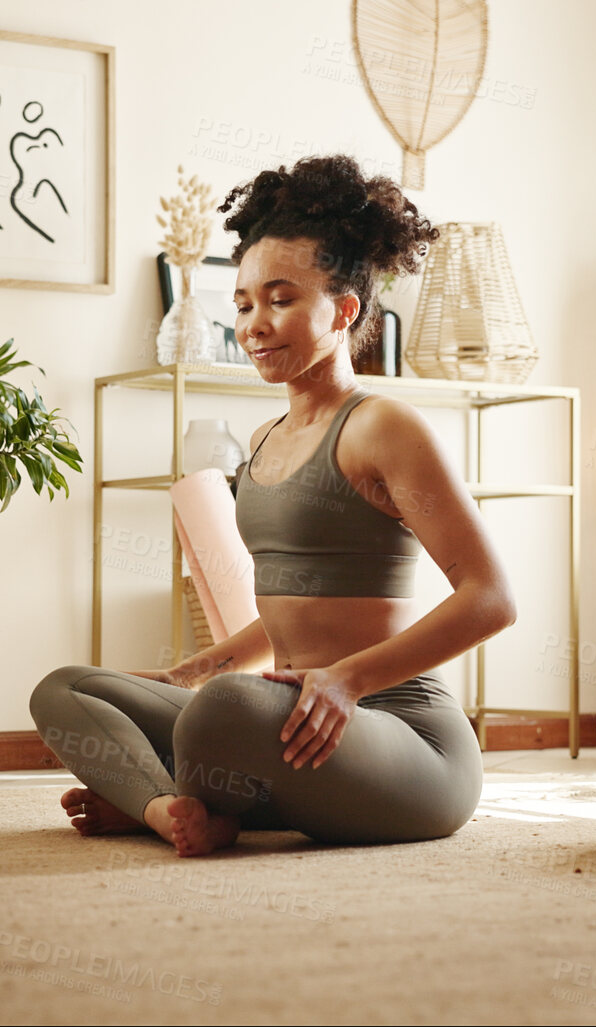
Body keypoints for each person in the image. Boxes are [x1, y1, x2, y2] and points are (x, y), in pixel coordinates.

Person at [29, 154, 516, 856]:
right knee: (70, 688)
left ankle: (156, 797)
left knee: (221, 714)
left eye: (281, 299)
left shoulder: (382, 426)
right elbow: (291, 605)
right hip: (288, 718)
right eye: (244, 303)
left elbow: (491, 597)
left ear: (343, 310)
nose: (255, 323)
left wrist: (347, 680)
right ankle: (169, 808)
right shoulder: (263, 438)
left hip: (398, 735)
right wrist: (188, 672)